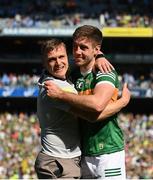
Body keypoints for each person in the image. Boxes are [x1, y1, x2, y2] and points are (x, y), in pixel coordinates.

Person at [44, 25, 131, 179]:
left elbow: (97, 105)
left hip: (108, 153)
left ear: (96, 49)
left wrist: (62, 95)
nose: (77, 52)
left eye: (83, 47)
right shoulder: (72, 73)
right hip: (82, 154)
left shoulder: (105, 72)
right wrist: (122, 102)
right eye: (75, 46)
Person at [34, 38, 115, 179]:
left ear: (68, 56)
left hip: (61, 158)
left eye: (61, 57)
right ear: (44, 63)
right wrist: (124, 102)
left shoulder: (55, 76)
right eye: (52, 60)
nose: (58, 63)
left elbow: (85, 55)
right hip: (59, 162)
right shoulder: (55, 89)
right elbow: (93, 113)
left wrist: (99, 56)